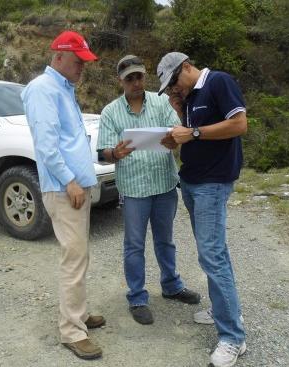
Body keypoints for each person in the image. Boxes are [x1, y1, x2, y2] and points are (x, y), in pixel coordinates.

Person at [157, 52, 247, 367]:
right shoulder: (191, 98)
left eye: (173, 83)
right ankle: (225, 309)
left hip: (213, 182)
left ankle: (233, 337)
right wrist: (180, 128)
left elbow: (239, 124)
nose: (172, 90)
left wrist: (192, 132)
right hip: (193, 181)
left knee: (211, 254)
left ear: (187, 67)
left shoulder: (219, 82)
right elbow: (196, 136)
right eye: (168, 88)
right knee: (213, 252)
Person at [96, 55, 201, 326]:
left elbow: (177, 134)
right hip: (133, 189)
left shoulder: (160, 102)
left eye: (139, 76)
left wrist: (172, 141)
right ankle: (137, 297)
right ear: (120, 81)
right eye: (130, 78)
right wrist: (114, 153)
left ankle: (171, 285)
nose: (136, 82)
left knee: (165, 240)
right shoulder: (110, 112)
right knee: (134, 245)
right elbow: (103, 153)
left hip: (164, 184)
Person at [20, 30, 105, 360]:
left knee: (79, 255)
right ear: (58, 57)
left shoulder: (63, 89)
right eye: (78, 60)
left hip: (74, 187)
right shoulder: (43, 89)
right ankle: (71, 330)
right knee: (73, 258)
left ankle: (79, 315)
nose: (83, 67)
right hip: (63, 188)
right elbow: (46, 144)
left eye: (85, 61)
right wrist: (70, 181)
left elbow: (68, 140)